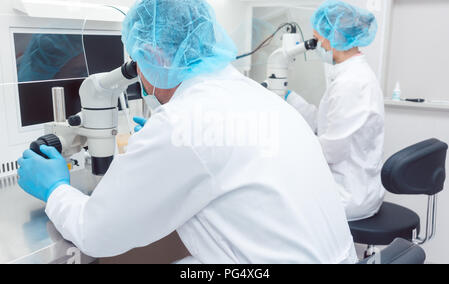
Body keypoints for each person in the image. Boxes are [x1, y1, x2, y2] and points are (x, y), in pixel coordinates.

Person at [17, 0, 357, 264]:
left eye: (137, 61)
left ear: (151, 56)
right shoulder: (256, 97)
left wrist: (55, 189)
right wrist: (163, 141)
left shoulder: (185, 121)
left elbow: (96, 233)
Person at [285, 0, 385, 221]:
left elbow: (331, 151)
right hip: (359, 187)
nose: (317, 44)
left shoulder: (351, 84)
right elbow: (326, 124)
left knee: (280, 206)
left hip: (348, 196)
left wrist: (290, 145)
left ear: (333, 38)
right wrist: (288, 97)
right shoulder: (352, 75)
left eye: (317, 38)